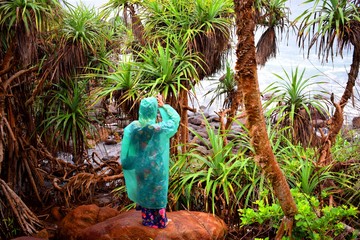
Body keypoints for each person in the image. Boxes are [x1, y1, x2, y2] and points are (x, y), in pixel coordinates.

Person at [120, 94, 180, 228]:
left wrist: (127, 163)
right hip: (156, 167)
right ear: (154, 111)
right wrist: (163, 106)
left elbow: (126, 149)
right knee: (158, 191)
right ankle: (159, 221)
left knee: (145, 191)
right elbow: (175, 119)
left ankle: (147, 220)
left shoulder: (133, 128)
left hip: (141, 167)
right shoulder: (159, 129)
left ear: (141, 110)